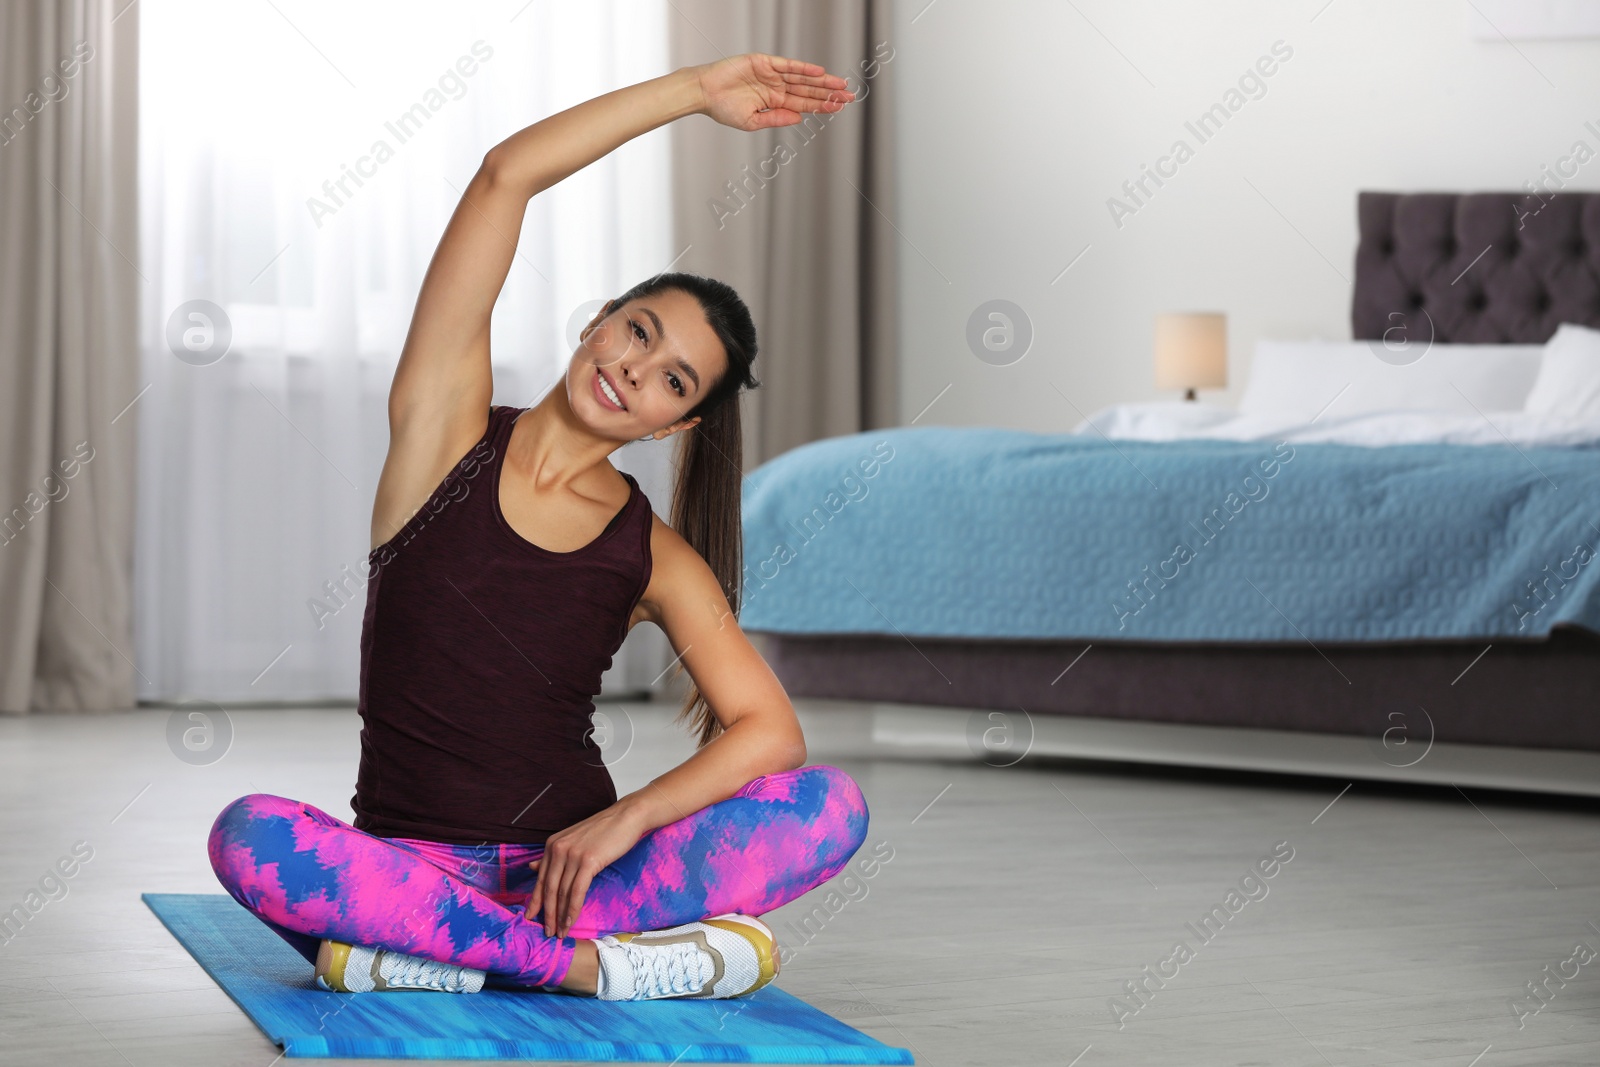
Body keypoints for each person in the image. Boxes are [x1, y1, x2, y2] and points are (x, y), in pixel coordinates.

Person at [208, 52, 870, 1002]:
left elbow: (771, 732)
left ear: (674, 423)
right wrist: (693, 93)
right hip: (407, 871)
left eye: (674, 380)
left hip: (580, 878)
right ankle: (584, 974)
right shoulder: (443, 433)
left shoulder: (658, 555)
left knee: (829, 809)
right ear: (598, 321)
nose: (639, 369)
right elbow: (503, 177)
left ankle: (454, 960)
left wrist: (628, 819)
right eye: (639, 331)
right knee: (251, 834)